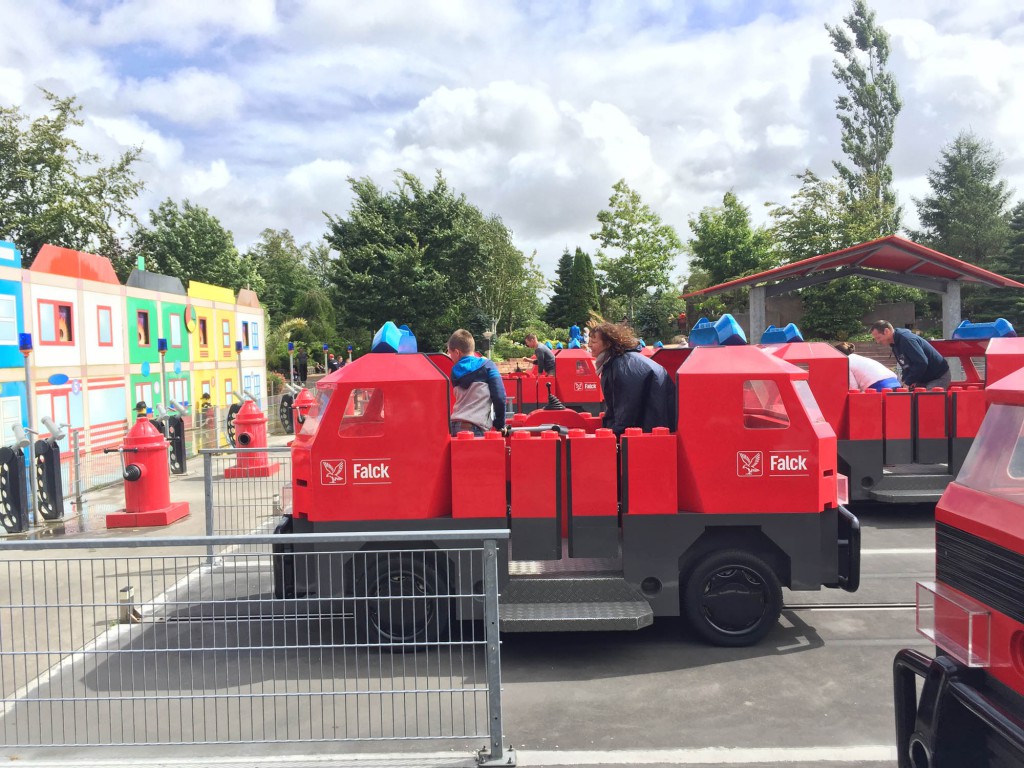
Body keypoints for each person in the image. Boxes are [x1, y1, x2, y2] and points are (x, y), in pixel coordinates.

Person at [590, 322, 675, 435]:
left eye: (593, 342)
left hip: (648, 431)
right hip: (657, 425)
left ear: (607, 344)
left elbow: (626, 410)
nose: (589, 345)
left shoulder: (621, 366)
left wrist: (616, 435)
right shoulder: (623, 360)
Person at [447, 329, 507, 437]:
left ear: (457, 352)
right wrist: (500, 424)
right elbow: (499, 396)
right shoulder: (488, 366)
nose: (450, 357)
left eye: (450, 353)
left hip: (454, 425)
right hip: (477, 427)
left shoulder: (454, 372)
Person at [869, 320, 951, 389]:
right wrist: (905, 382)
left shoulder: (907, 340)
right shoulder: (895, 344)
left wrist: (908, 382)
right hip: (923, 378)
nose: (877, 341)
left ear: (887, 331)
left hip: (938, 376)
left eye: (878, 337)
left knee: (925, 399)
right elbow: (906, 366)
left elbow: (921, 363)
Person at [833, 342, 900, 392]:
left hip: (879, 386)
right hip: (895, 382)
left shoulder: (846, 362)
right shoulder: (858, 358)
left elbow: (853, 388)